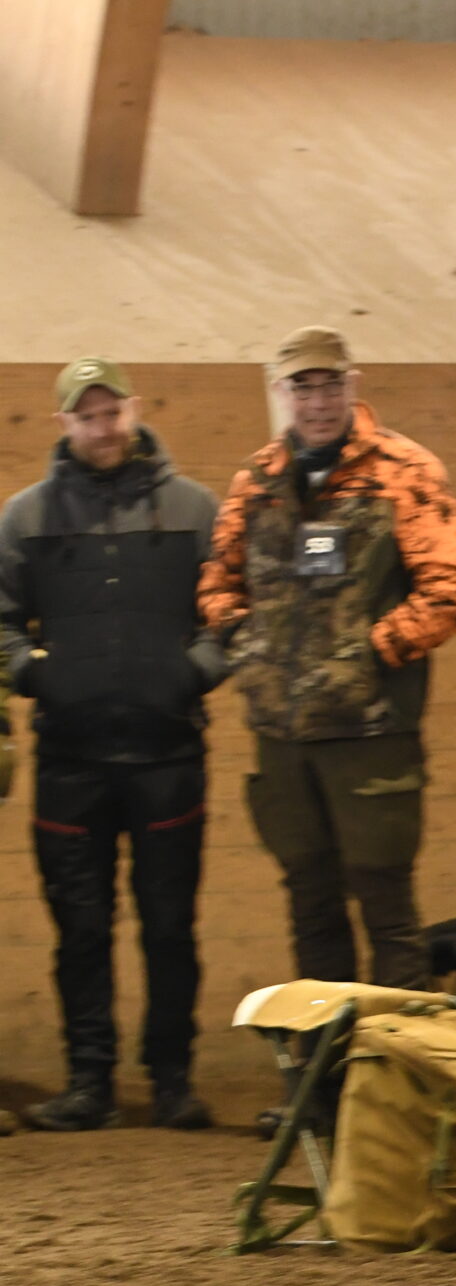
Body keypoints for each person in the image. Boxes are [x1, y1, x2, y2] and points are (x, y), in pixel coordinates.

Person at [200, 327, 456, 992]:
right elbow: (217, 583)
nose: (319, 401)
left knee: (388, 913)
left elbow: (451, 588)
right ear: (283, 393)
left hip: (371, 736)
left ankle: (396, 1058)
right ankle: (321, 1059)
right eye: (304, 387)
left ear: (352, 386)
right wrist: (250, 645)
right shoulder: (256, 481)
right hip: (284, 742)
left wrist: (368, 654)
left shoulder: (405, 472)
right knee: (312, 910)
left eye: (330, 385)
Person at [0, 360, 225, 1131]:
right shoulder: (24, 516)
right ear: (63, 423)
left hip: (169, 757)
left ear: (134, 409)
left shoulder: (195, 507)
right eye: (87, 416)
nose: (103, 428)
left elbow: (230, 610)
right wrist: (32, 673)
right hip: (71, 761)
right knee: (82, 931)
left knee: (170, 928)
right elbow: (1, 618)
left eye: (112, 411)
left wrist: (194, 672)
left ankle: (172, 1079)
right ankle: (88, 1082)